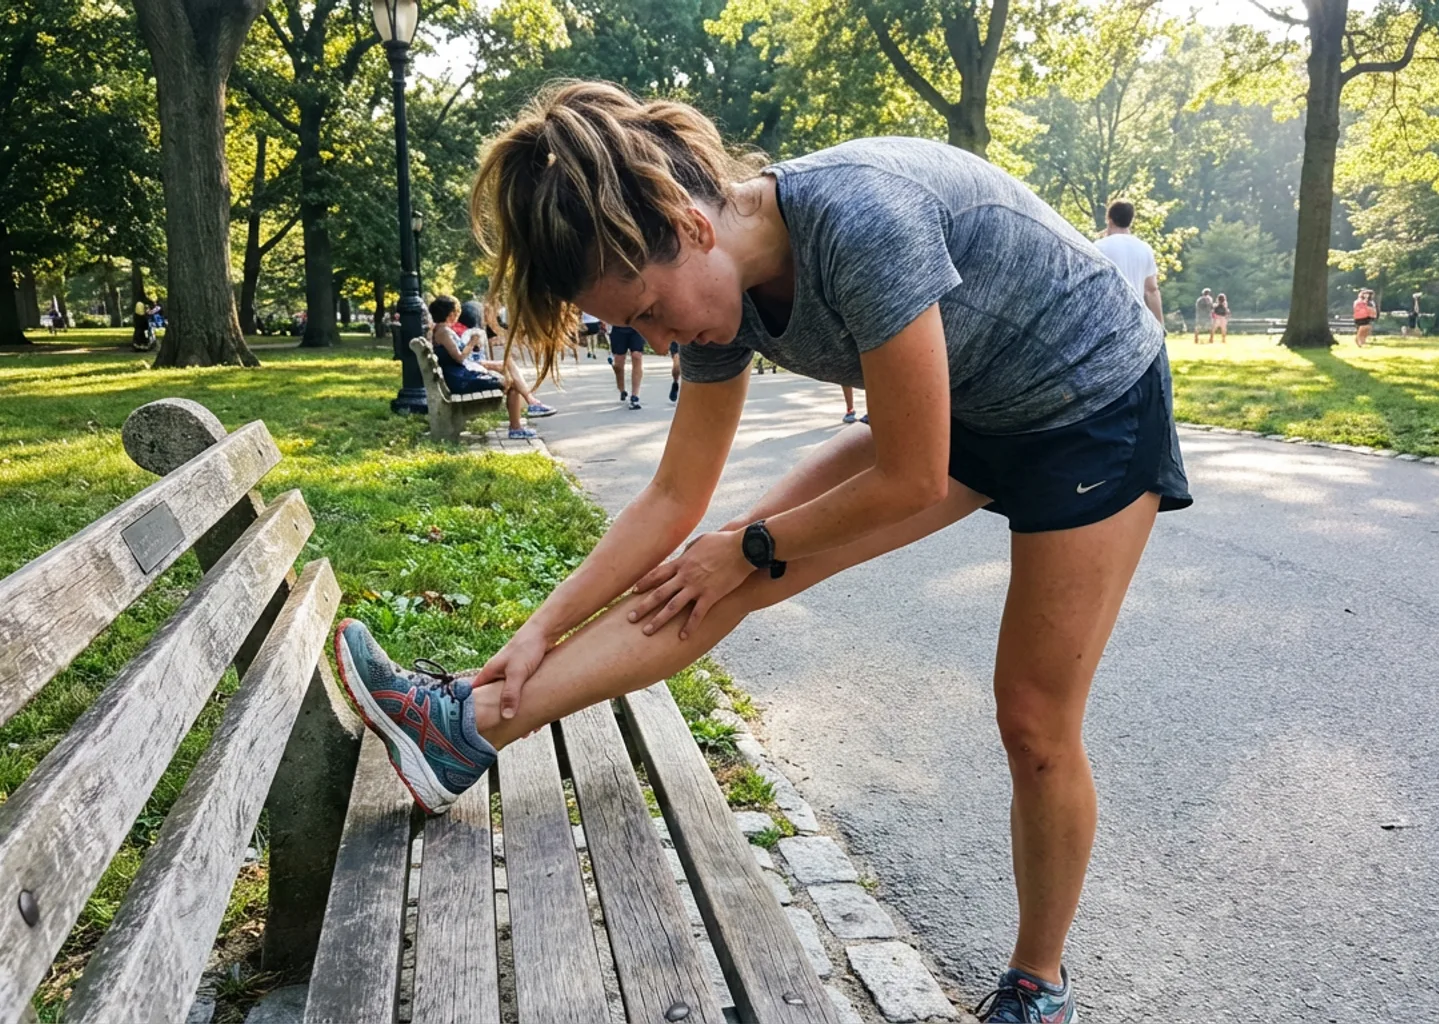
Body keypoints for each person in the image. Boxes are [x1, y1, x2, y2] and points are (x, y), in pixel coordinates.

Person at [334, 81, 1191, 1024]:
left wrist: (750, 544)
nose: (659, 340)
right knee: (706, 582)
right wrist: (541, 626)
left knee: (1032, 718)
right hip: (972, 408)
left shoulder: (863, 221)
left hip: (1091, 406)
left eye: (650, 311)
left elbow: (911, 475)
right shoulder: (717, 295)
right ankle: (462, 729)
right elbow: (672, 498)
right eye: (637, 330)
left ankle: (1038, 985)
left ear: (689, 224)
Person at [429, 294, 538, 439]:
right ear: (451, 314)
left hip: (458, 376)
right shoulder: (444, 332)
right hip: (460, 380)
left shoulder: (442, 330)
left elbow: (457, 355)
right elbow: (459, 358)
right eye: (456, 312)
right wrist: (472, 342)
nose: (458, 315)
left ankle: (526, 412)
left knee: (510, 378)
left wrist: (473, 347)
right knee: (511, 383)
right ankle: (516, 427)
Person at [460, 300, 556, 419]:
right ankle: (531, 403)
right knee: (508, 367)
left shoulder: (474, 330)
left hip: (471, 366)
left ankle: (524, 414)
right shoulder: (469, 333)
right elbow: (467, 358)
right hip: (468, 369)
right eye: (484, 314)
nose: (487, 317)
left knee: (511, 377)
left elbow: (489, 350)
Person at [1093, 200, 1164, 326]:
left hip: (1106, 321)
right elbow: (1151, 290)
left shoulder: (1098, 247)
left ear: (1109, 219)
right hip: (1135, 321)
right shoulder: (1145, 248)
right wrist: (1160, 325)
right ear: (1130, 220)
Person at [609, 323, 647, 409]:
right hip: (618, 326)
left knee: (637, 356)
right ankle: (622, 390)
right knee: (618, 362)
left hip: (637, 326)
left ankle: (635, 396)